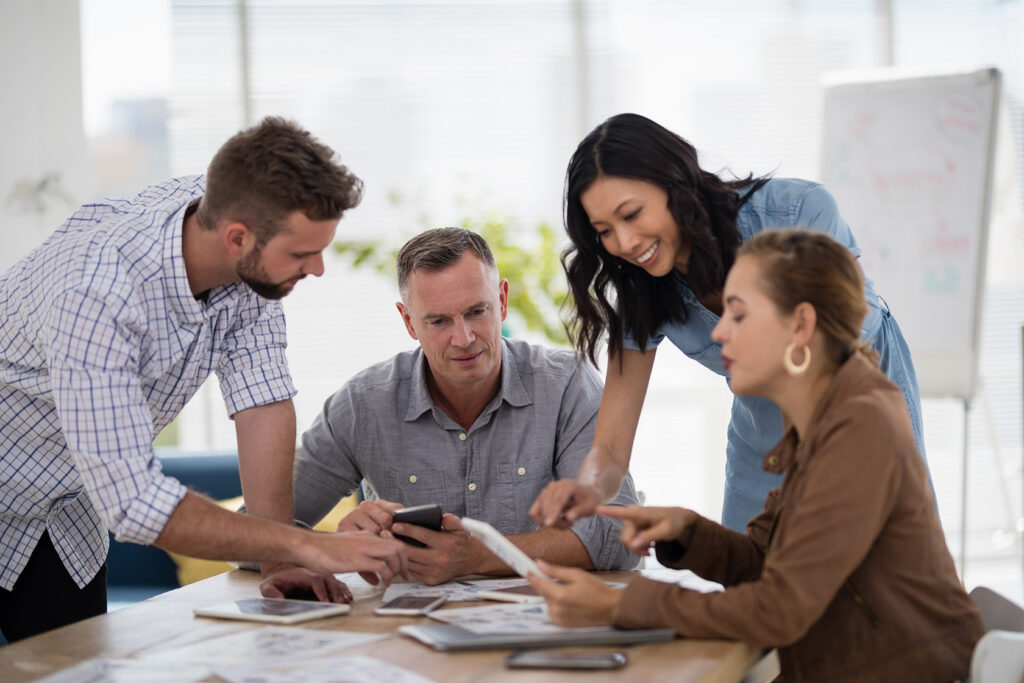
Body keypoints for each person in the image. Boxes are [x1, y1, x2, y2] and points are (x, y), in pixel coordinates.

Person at [0, 117, 407, 643]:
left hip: (61, 518)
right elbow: (133, 501)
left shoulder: (237, 229)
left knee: (75, 674)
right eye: (303, 254)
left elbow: (262, 400)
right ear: (237, 238)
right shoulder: (96, 289)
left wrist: (276, 558)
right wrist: (311, 546)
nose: (318, 269)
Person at [528, 229, 984, 682]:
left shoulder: (860, 424)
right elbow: (767, 563)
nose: (719, 331)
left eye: (738, 316)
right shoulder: (821, 419)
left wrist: (617, 603)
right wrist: (687, 531)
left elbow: (779, 608)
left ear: (801, 326)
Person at [530, 112, 927, 532]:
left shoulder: (797, 211)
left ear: (673, 183)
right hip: (763, 435)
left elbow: (842, 344)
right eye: (604, 230)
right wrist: (587, 489)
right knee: (745, 574)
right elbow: (610, 447)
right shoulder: (640, 287)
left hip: (858, 411)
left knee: (870, 571)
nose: (624, 243)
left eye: (631, 214)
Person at [260, 228, 640, 599]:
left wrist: (475, 555)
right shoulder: (363, 404)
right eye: (439, 321)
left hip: (546, 628)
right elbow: (252, 533)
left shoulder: (567, 385)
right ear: (409, 322)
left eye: (477, 311)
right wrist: (335, 550)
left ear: (502, 300)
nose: (464, 338)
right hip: (406, 642)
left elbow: (618, 536)